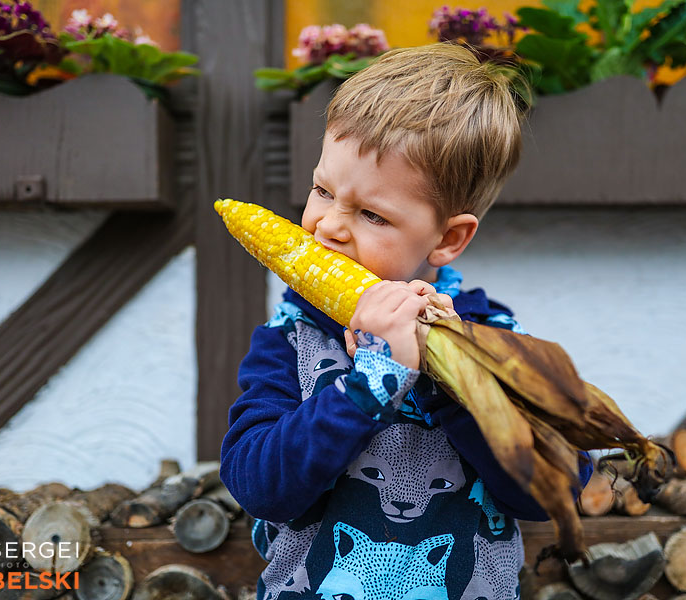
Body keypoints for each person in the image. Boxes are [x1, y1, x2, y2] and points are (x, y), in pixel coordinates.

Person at [220, 42, 593, 600]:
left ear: (448, 238)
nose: (328, 227)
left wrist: (450, 369)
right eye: (323, 190)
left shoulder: (491, 336)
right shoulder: (289, 339)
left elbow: (554, 489)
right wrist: (370, 385)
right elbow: (259, 487)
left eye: (372, 214)